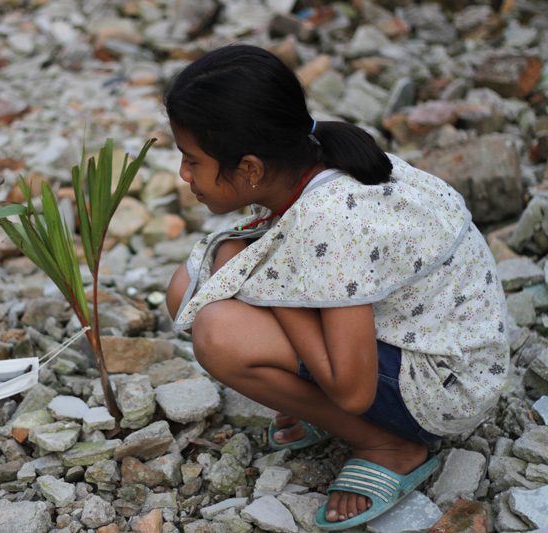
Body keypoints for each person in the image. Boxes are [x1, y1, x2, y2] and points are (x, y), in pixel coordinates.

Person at [164, 44, 508, 530]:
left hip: (446, 382)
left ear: (251, 169)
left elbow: (352, 390)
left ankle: (389, 445)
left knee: (219, 332)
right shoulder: (313, 155)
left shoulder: (330, 219)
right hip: (413, 333)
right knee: (189, 287)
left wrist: (270, 287)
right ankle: (321, 403)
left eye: (191, 160)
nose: (184, 174)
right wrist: (269, 275)